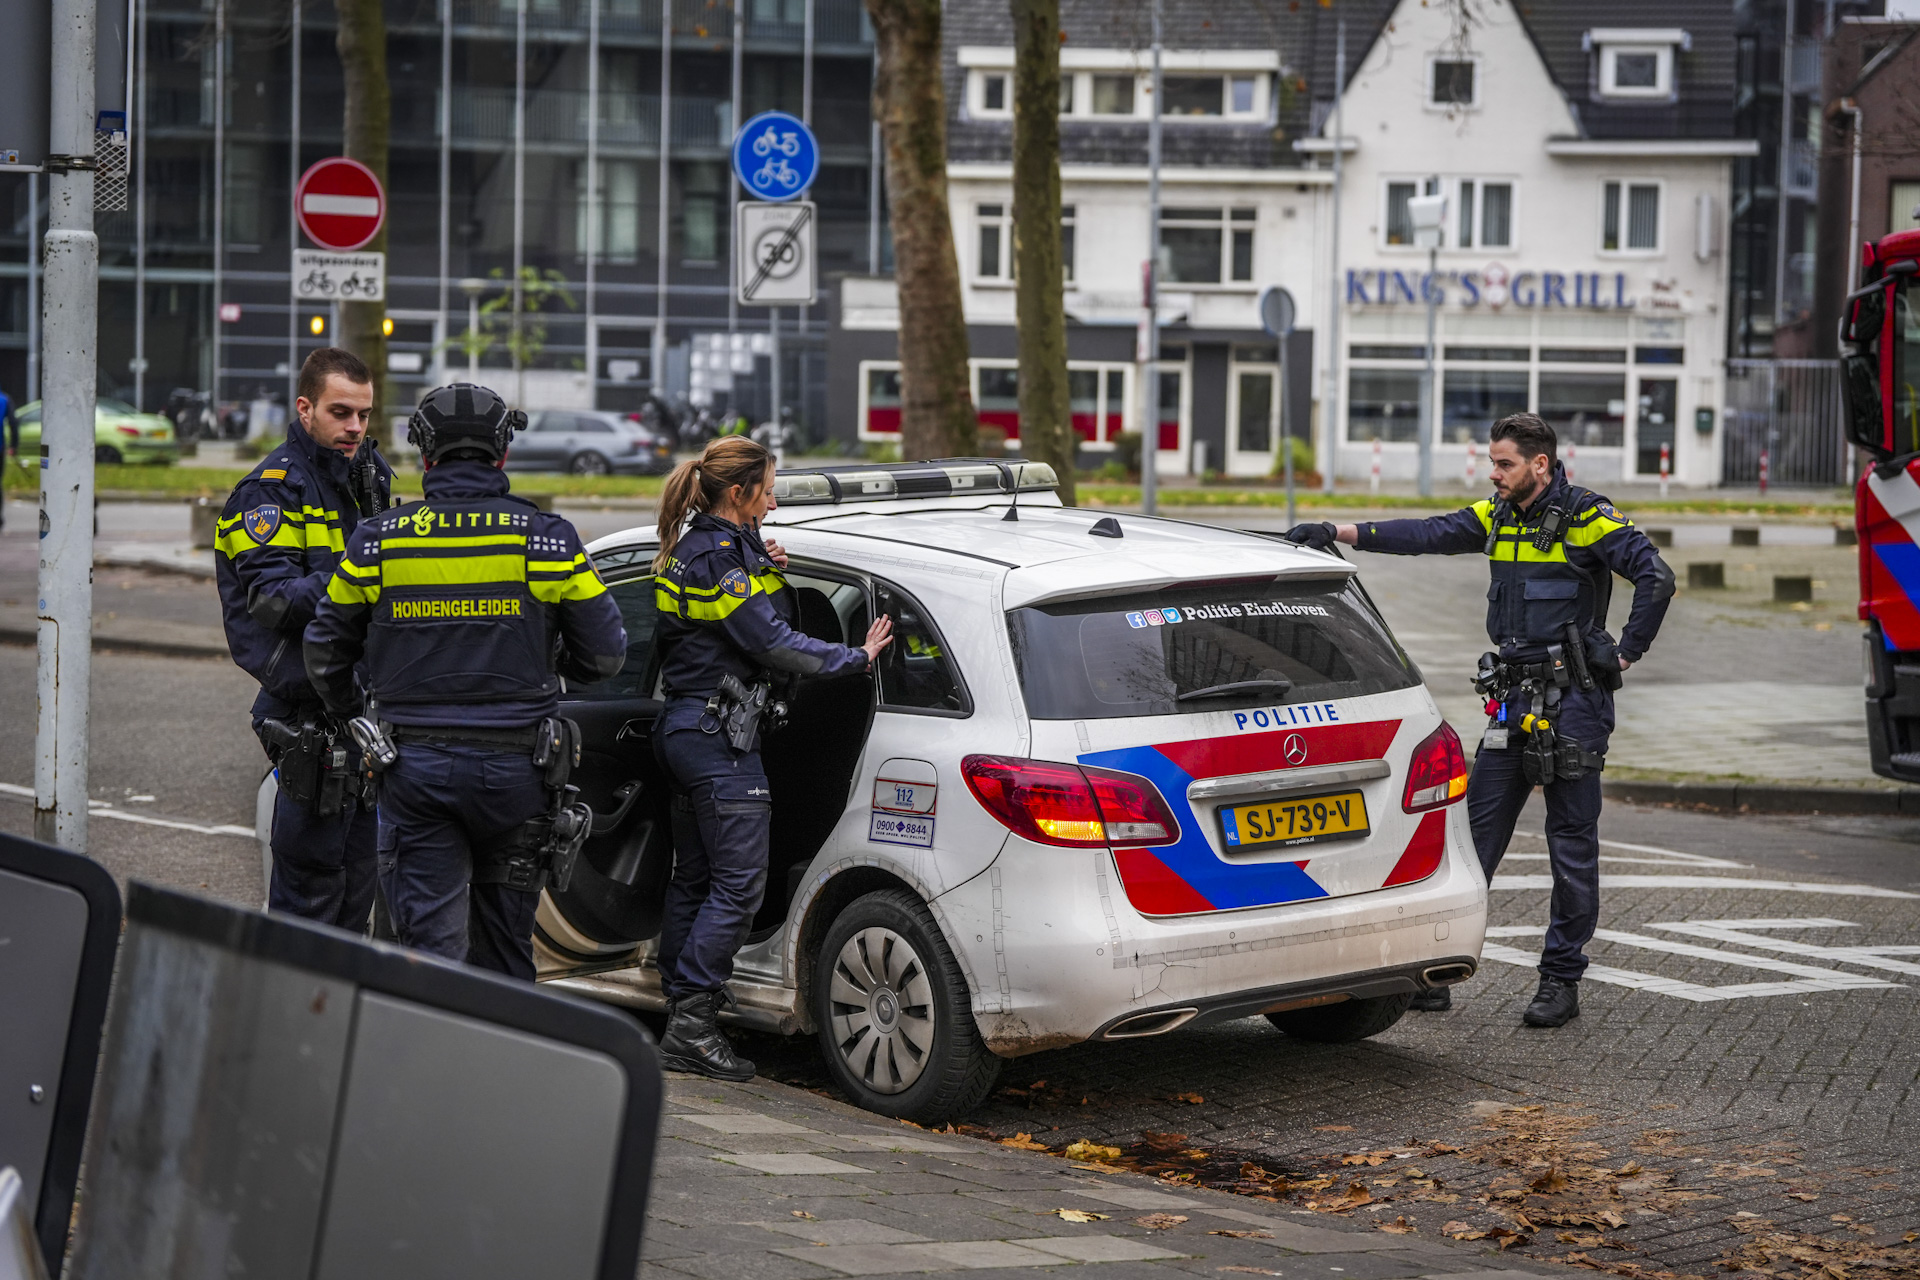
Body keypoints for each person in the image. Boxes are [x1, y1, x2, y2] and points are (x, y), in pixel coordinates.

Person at [1284, 413, 1673, 1028]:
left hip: (1573, 702)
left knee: (1570, 846)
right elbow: (1429, 533)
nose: (1493, 474)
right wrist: (1339, 530)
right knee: (1468, 843)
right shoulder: (1499, 514)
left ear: (1539, 464)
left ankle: (1560, 981)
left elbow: (1657, 574)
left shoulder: (1586, 517)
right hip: (1512, 700)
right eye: (1492, 463)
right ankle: (1439, 971)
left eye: (1504, 464)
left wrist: (1625, 651)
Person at [304, 383, 627, 979]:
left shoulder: (380, 542)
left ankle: (436, 1064)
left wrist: (361, 711)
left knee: (431, 949)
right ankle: (506, 1067)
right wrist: (554, 669)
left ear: (424, 455)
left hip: (415, 771)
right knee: (508, 951)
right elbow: (606, 655)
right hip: (519, 775)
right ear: (503, 452)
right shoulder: (546, 539)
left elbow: (324, 650)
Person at [650, 437, 893, 1080]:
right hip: (717, 740)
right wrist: (855, 659)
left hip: (686, 732)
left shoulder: (703, 548)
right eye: (770, 488)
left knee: (696, 879)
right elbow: (771, 641)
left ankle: (683, 998)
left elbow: (720, 616)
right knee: (739, 885)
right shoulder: (719, 559)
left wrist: (761, 557)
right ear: (741, 493)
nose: (776, 497)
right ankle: (692, 1026)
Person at [215, 348, 392, 930]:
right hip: (307, 711)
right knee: (308, 900)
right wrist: (364, 574)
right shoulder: (268, 492)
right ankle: (293, 1015)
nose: (355, 427)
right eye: (341, 412)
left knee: (356, 895)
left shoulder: (368, 475)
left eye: (364, 415)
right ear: (305, 407)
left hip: (359, 707)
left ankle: (335, 1014)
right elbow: (273, 599)